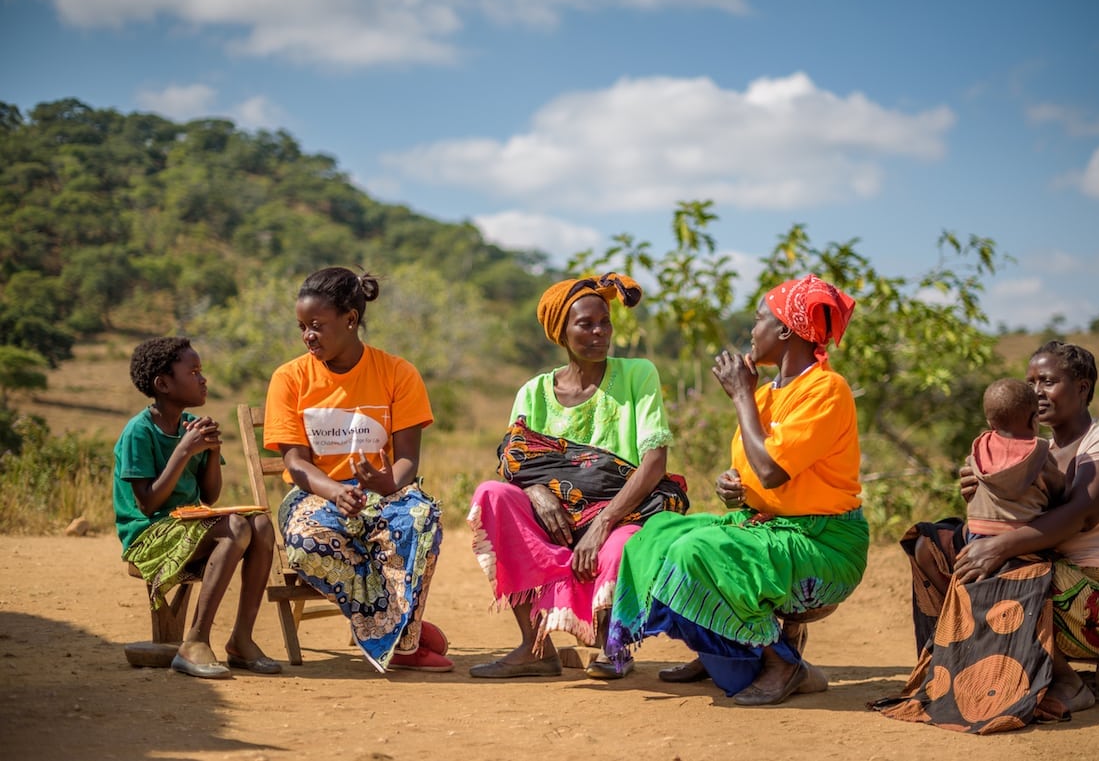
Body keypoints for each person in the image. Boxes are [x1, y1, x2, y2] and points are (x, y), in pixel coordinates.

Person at [606, 273, 868, 706]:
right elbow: (749, 477)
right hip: (768, 527)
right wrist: (733, 486)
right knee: (657, 535)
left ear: (785, 330)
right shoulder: (765, 394)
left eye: (759, 319)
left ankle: (782, 663)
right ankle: (719, 649)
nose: (751, 330)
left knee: (698, 552)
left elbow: (770, 473)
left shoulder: (826, 390)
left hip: (825, 544)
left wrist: (742, 397)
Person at [879, 341, 1099, 733]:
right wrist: (984, 495)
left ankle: (1066, 680)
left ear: (1083, 386)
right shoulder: (1028, 451)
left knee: (1003, 562)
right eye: (1030, 382)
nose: (1037, 391)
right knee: (933, 544)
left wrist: (1000, 544)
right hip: (1050, 579)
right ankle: (957, 670)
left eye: (1049, 381)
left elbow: (1083, 515)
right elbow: (1015, 523)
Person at [468, 272, 687, 680]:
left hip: (625, 511)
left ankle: (613, 646)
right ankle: (536, 646)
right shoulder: (534, 392)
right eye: (585, 324)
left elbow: (654, 461)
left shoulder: (639, 374)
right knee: (492, 494)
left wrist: (603, 521)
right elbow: (516, 464)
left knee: (618, 548)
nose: (600, 332)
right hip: (553, 515)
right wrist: (535, 492)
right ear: (561, 333)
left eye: (605, 322)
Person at [264, 267, 450, 674]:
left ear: (350, 319)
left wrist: (387, 484)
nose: (307, 336)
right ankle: (400, 632)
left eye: (316, 326)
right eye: (301, 328)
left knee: (421, 516)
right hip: (316, 494)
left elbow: (407, 461)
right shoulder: (290, 378)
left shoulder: (397, 373)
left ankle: (397, 631)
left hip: (384, 494)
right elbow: (295, 463)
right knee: (305, 541)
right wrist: (334, 491)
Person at [114, 336, 280, 679]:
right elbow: (148, 504)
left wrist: (213, 453)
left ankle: (241, 641)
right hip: (149, 536)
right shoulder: (138, 432)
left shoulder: (190, 425)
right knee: (235, 528)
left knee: (261, 524)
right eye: (193, 372)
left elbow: (209, 497)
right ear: (163, 384)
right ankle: (195, 641)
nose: (203, 379)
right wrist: (184, 451)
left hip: (190, 527)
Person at [964, 377, 1065, 542]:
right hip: (1023, 534)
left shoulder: (979, 448)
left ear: (990, 423)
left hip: (977, 532)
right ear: (1034, 420)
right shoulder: (1038, 452)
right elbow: (1058, 491)